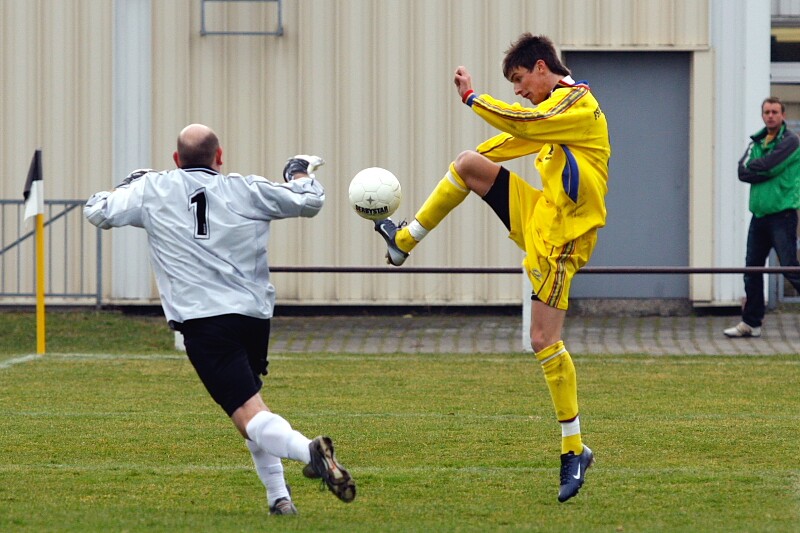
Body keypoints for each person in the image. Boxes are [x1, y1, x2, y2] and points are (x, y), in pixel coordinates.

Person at [374, 34, 610, 502]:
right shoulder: (554, 110)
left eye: (520, 80)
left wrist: (472, 98)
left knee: (543, 340)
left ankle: (574, 449)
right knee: (468, 164)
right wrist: (482, 151)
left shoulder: (577, 103)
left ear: (541, 67)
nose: (519, 90)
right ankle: (403, 241)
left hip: (564, 239)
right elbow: (516, 136)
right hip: (541, 215)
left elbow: (524, 121)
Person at [84, 124, 355, 515]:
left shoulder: (153, 189)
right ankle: (278, 499)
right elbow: (310, 201)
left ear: (176, 159)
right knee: (251, 407)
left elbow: (97, 210)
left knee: (248, 415)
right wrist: (297, 170)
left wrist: (130, 182)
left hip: (204, 321)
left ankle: (308, 451)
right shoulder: (246, 188)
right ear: (220, 156)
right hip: (253, 318)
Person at [724, 98, 800, 338]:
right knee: (752, 270)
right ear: (762, 115)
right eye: (766, 112)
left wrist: (758, 169)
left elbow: (770, 166)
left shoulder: (791, 141)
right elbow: (742, 171)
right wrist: (761, 169)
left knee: (790, 268)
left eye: (775, 112)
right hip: (759, 215)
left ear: (783, 115)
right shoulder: (756, 141)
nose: (770, 116)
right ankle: (751, 323)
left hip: (782, 215)